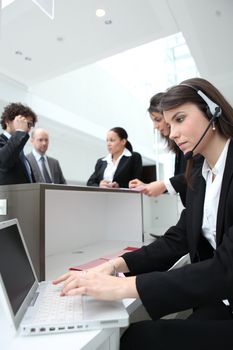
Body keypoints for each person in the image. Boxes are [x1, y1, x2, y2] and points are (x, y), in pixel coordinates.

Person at [53, 77, 233, 349]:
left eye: (180, 119)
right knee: (138, 336)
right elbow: (178, 238)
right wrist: (116, 265)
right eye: (169, 124)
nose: (171, 133)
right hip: (221, 298)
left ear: (213, 111)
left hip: (223, 291)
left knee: (138, 340)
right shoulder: (200, 173)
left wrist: (125, 287)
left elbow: (226, 267)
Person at [129, 92, 188, 202]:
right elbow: (181, 179)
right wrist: (149, 186)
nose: (155, 126)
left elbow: (193, 175)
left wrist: (163, 185)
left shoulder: (189, 143)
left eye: (158, 120)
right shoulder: (178, 147)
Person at [0, 102, 38, 185]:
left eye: (29, 124)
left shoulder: (21, 153)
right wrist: (19, 132)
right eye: (22, 122)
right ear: (7, 121)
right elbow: (4, 162)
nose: (26, 128)